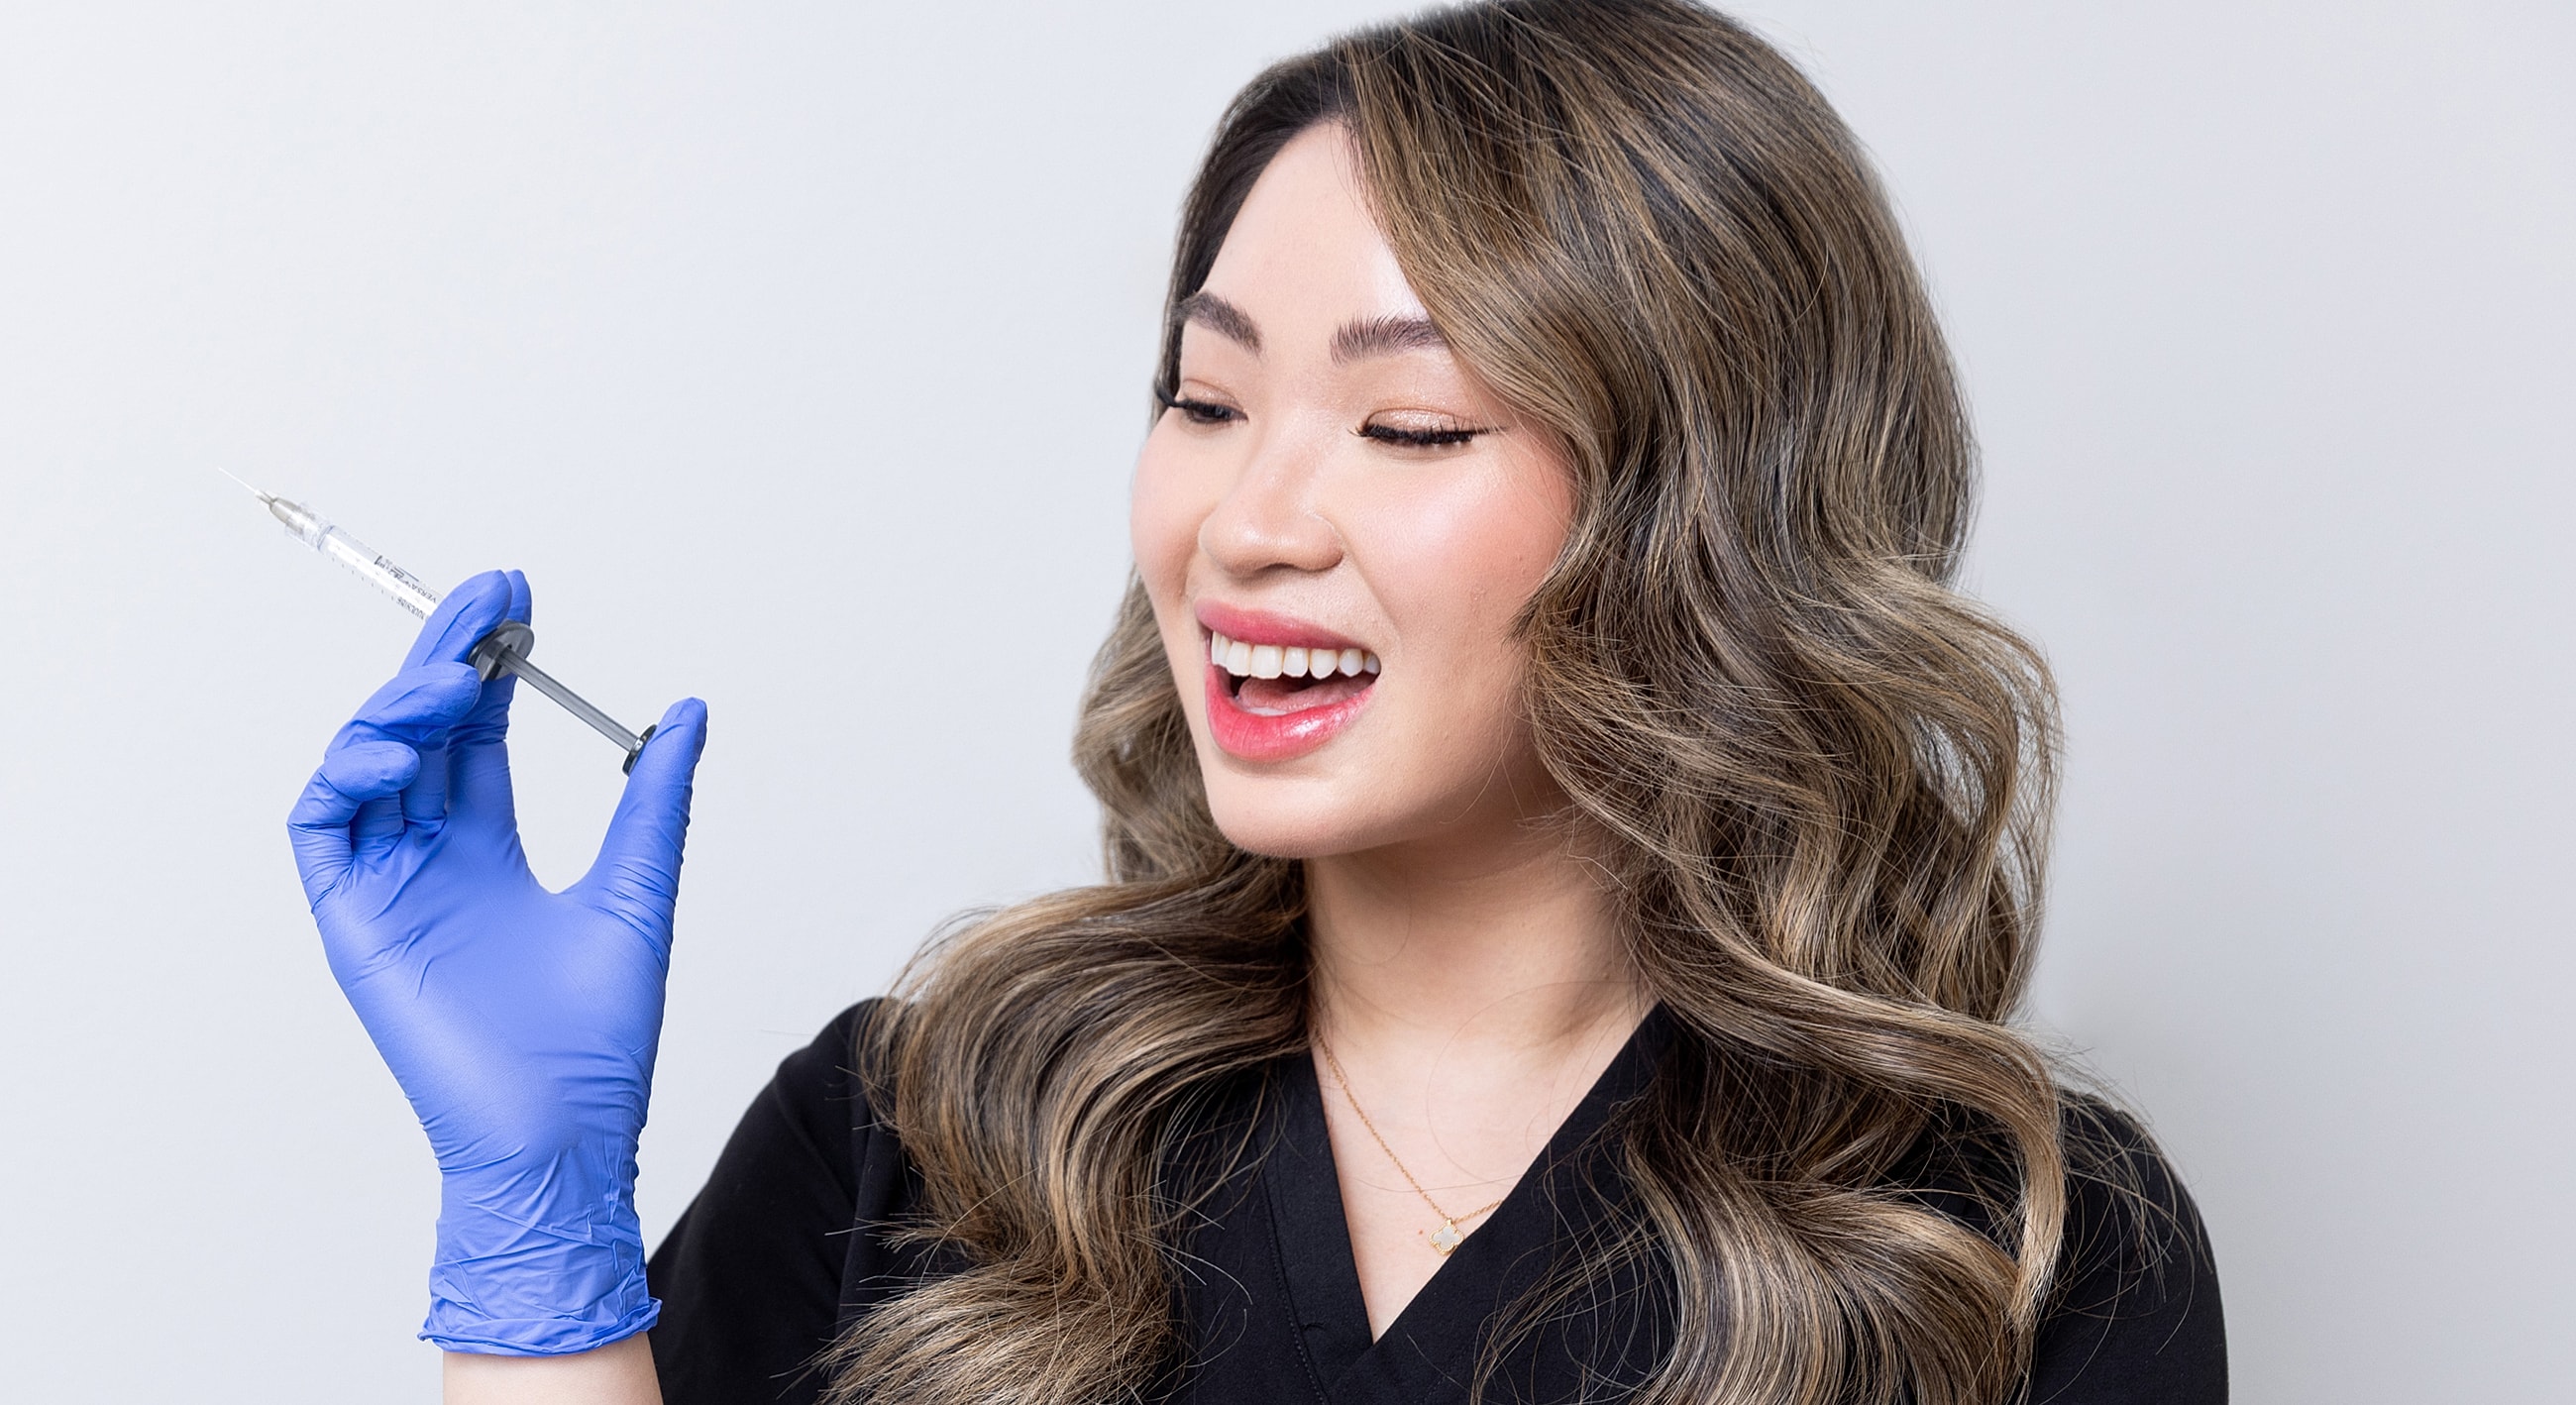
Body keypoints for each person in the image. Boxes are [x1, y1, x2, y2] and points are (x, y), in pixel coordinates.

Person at [287, 2, 2226, 1401]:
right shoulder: (917, 1133)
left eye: (1407, 422)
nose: (1245, 518)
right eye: (1204, 401)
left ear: (1704, 514)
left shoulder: (2006, 1252)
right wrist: (535, 1258)